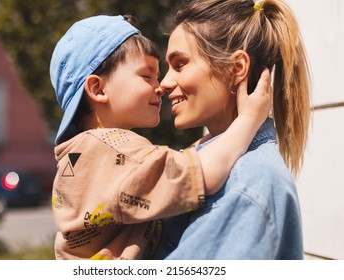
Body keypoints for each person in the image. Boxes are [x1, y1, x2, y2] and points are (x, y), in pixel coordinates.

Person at [49, 14, 272, 260]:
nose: (161, 85)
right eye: (147, 75)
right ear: (98, 89)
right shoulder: (113, 150)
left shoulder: (88, 152)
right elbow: (196, 174)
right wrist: (250, 119)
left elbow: (175, 163)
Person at [154, 0, 311, 260]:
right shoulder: (208, 162)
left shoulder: (247, 185)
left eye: (180, 64)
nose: (164, 83)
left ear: (236, 68)